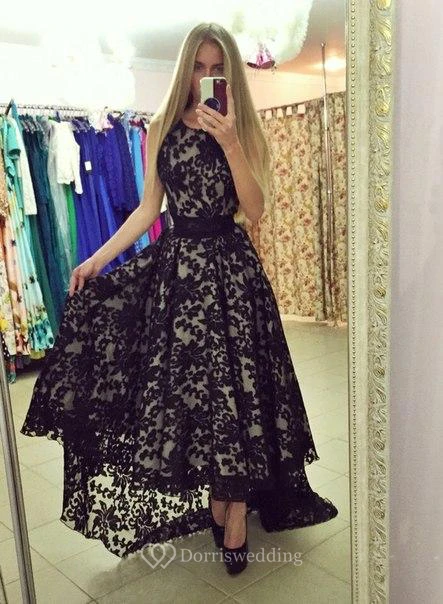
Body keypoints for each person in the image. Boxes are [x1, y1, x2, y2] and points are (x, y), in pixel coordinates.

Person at [20, 22, 338, 575]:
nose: (207, 77)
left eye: (218, 68)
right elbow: (149, 210)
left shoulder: (242, 127)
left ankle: (234, 508)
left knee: (236, 389)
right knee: (198, 393)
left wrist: (231, 141)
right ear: (186, 69)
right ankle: (221, 490)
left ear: (229, 73)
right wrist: (96, 259)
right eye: (199, 67)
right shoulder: (161, 127)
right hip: (180, 276)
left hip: (233, 273)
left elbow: (255, 210)